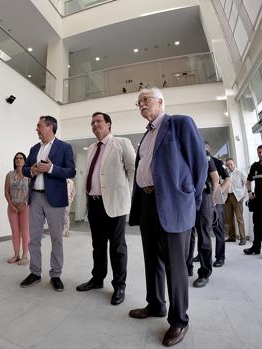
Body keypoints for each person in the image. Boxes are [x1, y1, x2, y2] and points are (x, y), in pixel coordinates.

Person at [128, 88, 207, 347]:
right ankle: (155, 304)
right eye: (138, 102)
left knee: (175, 264)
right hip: (148, 203)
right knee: (152, 259)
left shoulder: (179, 123)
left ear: (160, 102)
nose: (141, 105)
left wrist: (191, 202)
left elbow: (199, 164)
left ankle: (179, 320)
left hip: (174, 204)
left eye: (146, 100)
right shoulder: (146, 135)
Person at [75, 112, 136, 305]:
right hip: (94, 203)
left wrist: (130, 197)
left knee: (117, 247)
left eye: (99, 121)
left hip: (115, 204)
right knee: (98, 245)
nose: (95, 125)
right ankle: (97, 278)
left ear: (109, 124)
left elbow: (133, 170)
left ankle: (119, 286)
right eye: (92, 123)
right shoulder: (92, 147)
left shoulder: (122, 143)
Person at [20, 115, 76, 292]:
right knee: (34, 238)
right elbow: (24, 169)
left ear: (50, 127)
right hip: (35, 198)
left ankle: (56, 275)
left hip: (55, 200)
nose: (37, 129)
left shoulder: (65, 147)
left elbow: (71, 171)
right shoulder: (34, 148)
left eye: (39, 126)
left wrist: (50, 168)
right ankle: (35, 272)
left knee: (56, 239)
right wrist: (33, 170)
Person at [187, 155, 217, 288]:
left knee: (204, 236)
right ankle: (187, 267)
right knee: (187, 235)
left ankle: (205, 273)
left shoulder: (204, 155)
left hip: (204, 197)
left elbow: (215, 177)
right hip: (187, 198)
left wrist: (213, 198)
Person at [206, 142, 229, 267]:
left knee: (218, 228)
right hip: (202, 196)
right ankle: (202, 254)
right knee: (203, 229)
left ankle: (220, 257)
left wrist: (219, 192)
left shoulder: (217, 162)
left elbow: (227, 179)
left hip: (216, 195)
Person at [4, 152, 30, 266]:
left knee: (25, 232)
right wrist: (12, 205)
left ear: (25, 160)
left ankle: (25, 256)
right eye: (16, 158)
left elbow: (31, 191)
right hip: (12, 208)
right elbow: (6, 191)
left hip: (25, 207)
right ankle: (16, 254)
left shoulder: (29, 175)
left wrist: (23, 203)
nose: (18, 160)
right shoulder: (9, 175)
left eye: (21, 158)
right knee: (15, 232)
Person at [224, 158, 248, 245]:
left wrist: (244, 196)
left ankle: (243, 238)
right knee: (229, 219)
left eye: (231, 164)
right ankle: (232, 237)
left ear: (234, 164)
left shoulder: (240, 172)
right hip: (227, 197)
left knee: (239, 218)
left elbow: (247, 183)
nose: (230, 166)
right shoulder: (225, 173)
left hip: (237, 197)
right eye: (228, 165)